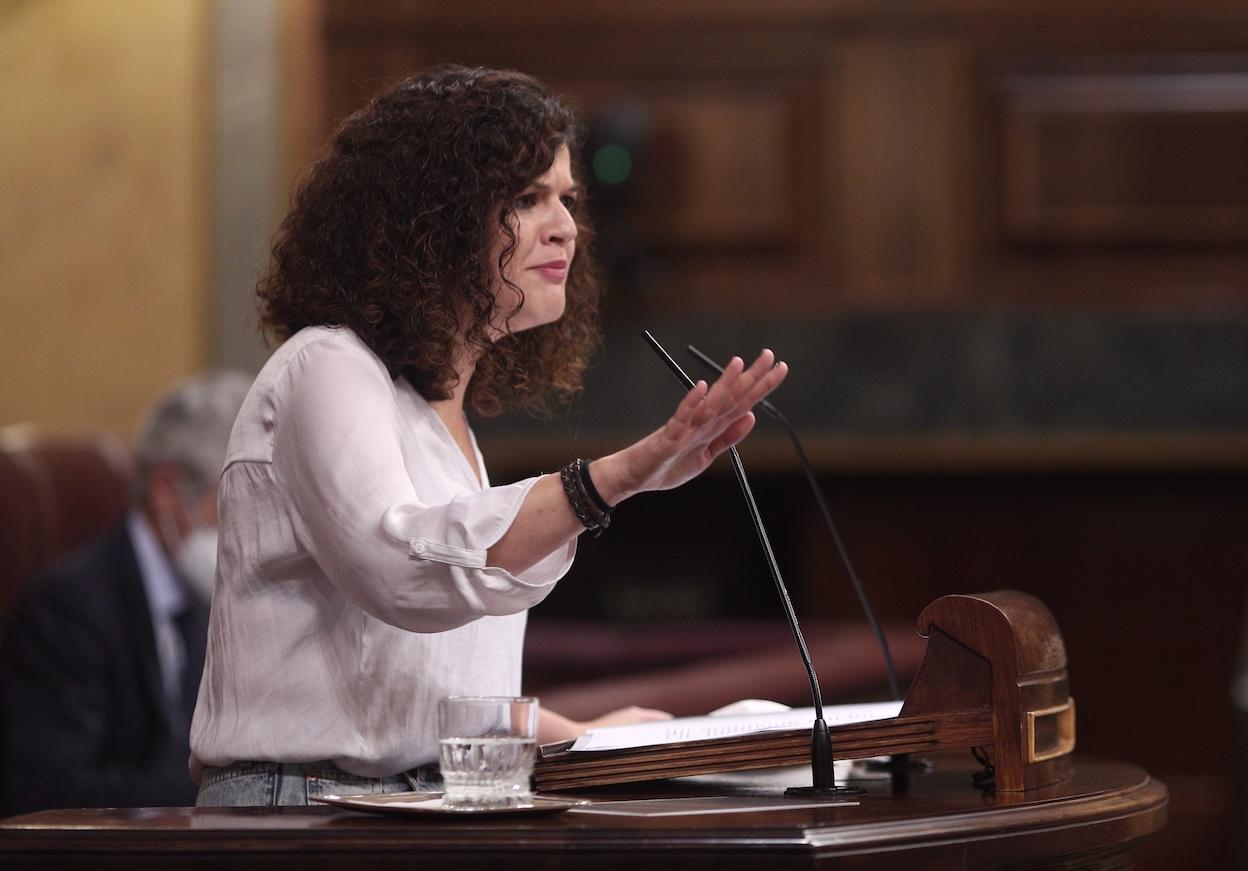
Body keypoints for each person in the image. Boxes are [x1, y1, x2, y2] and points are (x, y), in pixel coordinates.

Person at [190, 65, 788, 807]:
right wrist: (612, 478)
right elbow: (402, 567)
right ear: (433, 219)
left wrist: (589, 732)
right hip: (303, 806)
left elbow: (420, 685)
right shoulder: (326, 366)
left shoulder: (441, 420)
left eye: (565, 198)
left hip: (416, 797)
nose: (566, 225)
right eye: (527, 198)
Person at [0, 371, 250, 815]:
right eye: (232, 504)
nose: (250, 532)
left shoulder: (214, 601)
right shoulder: (65, 609)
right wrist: (222, 787)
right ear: (167, 490)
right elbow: (49, 793)